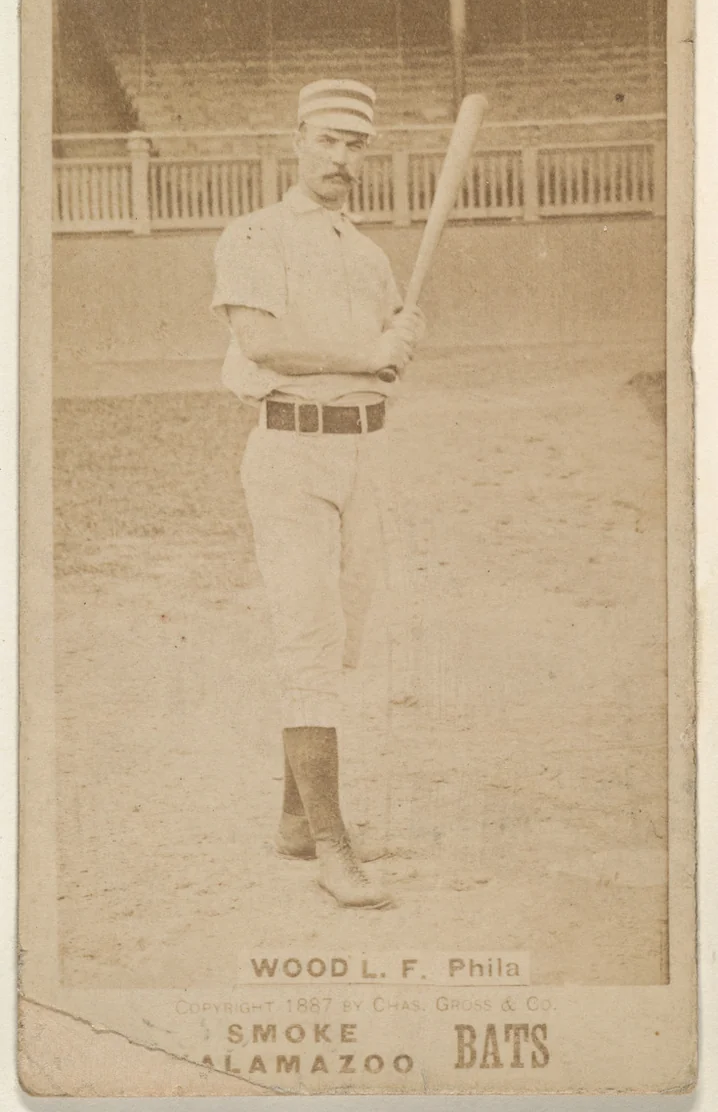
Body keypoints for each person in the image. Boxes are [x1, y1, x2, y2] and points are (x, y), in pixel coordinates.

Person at [212, 79, 424, 909]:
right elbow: (263, 344)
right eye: (327, 140)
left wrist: (402, 342)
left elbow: (382, 357)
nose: (341, 158)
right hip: (292, 452)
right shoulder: (255, 235)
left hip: (364, 456)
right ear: (296, 139)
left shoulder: (368, 254)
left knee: (339, 643)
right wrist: (368, 353)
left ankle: (297, 821)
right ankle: (335, 846)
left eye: (355, 144)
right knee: (308, 639)